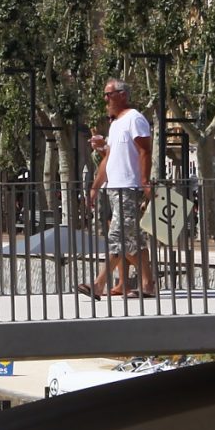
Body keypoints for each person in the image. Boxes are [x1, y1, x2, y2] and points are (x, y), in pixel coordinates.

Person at [83, 78, 156, 300]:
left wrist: (144, 180)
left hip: (129, 188)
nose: (105, 98)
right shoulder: (115, 124)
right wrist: (95, 186)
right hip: (114, 189)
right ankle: (147, 285)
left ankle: (98, 284)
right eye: (105, 94)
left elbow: (145, 151)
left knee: (119, 236)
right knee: (134, 241)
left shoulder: (135, 119)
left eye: (109, 94)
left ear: (122, 95)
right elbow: (110, 158)